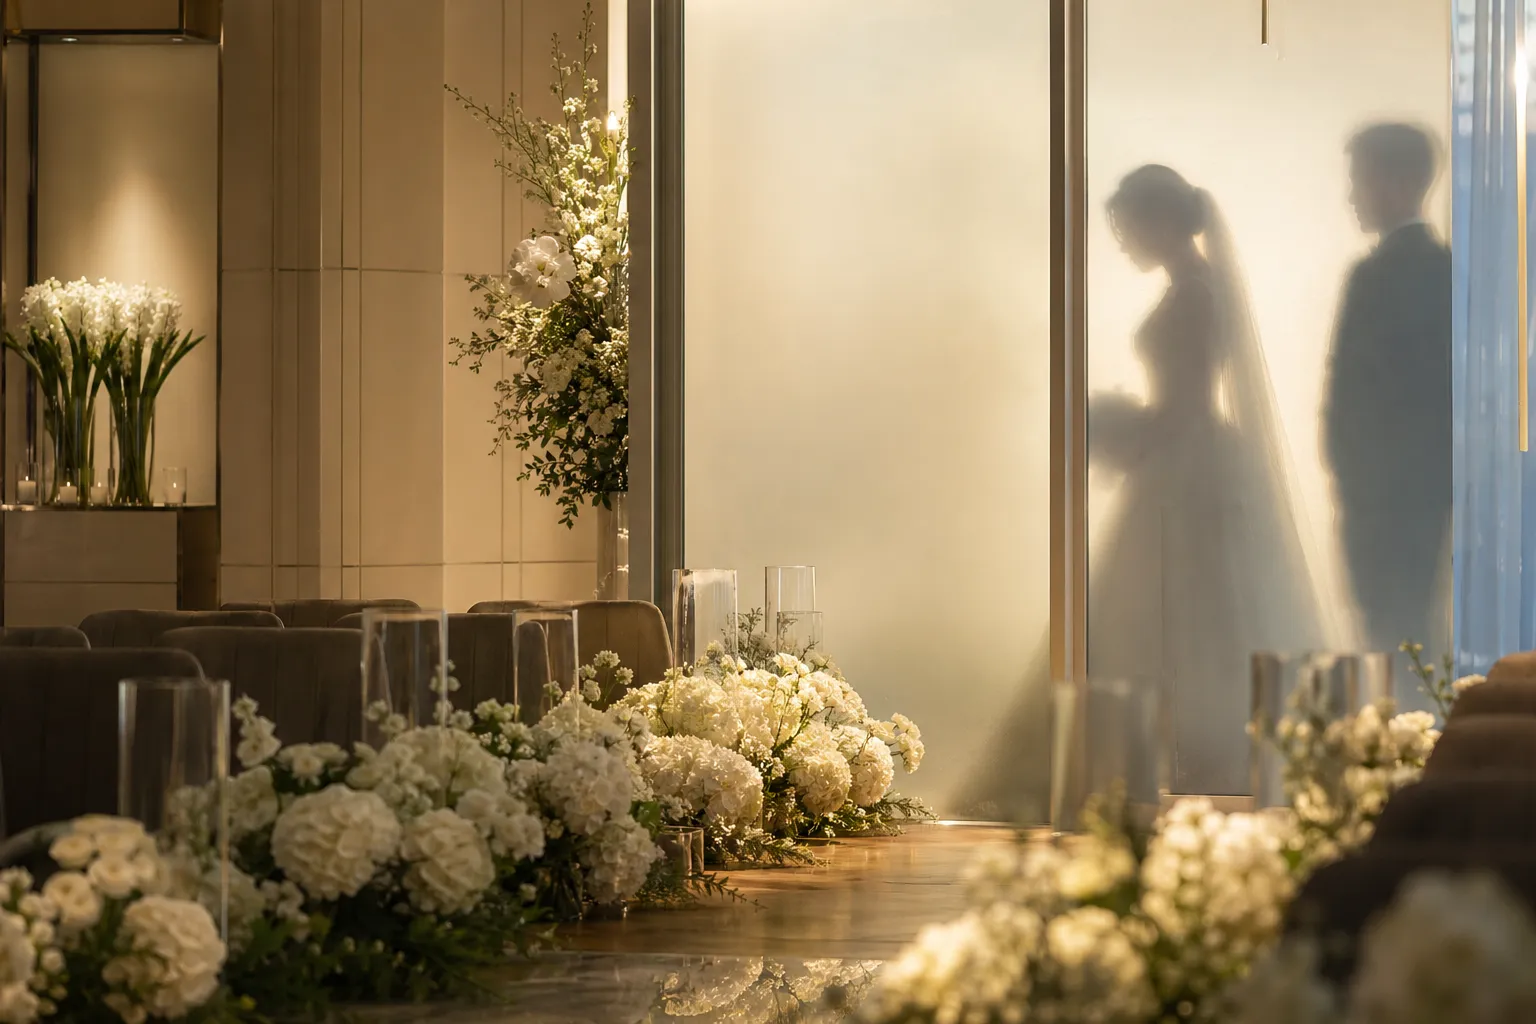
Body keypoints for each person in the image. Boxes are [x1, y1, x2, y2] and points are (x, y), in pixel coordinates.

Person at [1087, 165, 1322, 795]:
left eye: (1127, 225)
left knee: (1182, 607)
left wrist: (1120, 430)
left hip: (1187, 462)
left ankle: (1195, 751)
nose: (1122, 240)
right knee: (1180, 607)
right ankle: (1186, 751)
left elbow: (1185, 403)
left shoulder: (1194, 293)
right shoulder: (1192, 286)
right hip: (1189, 454)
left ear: (1160, 220)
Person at [1323, 124, 1452, 655]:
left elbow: (1358, 391)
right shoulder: (1448, 271)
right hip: (1420, 495)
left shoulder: (1375, 276)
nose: (1352, 195)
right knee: (1414, 630)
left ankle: (1407, 734)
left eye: (1360, 179)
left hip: (1383, 500)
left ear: (1398, 183)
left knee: (1394, 632)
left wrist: (1350, 472)